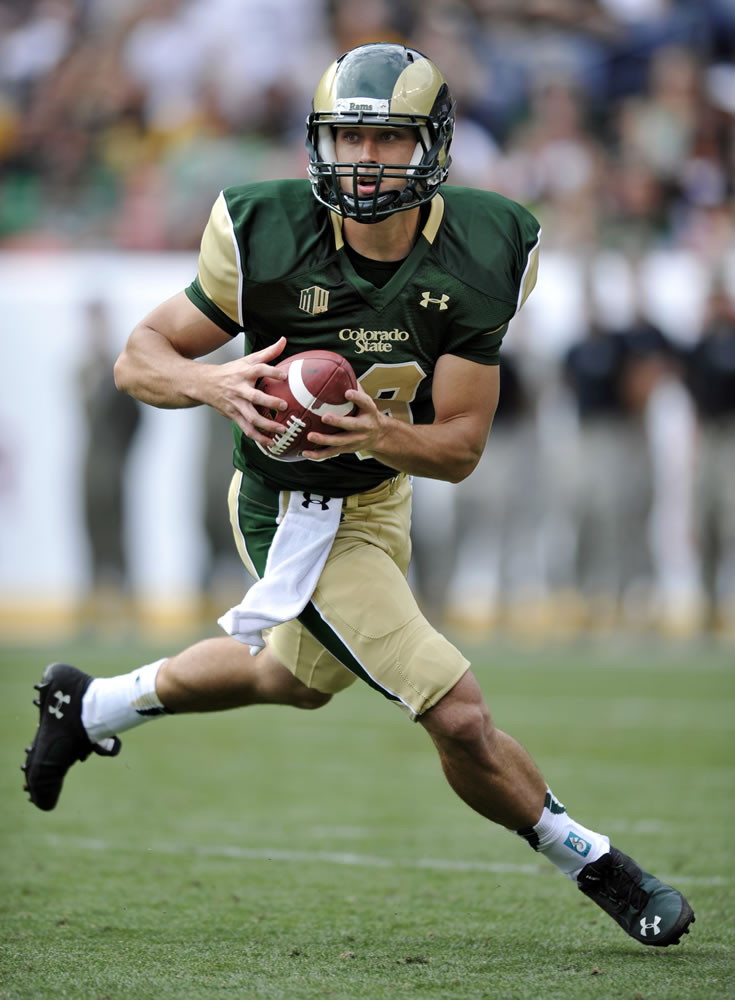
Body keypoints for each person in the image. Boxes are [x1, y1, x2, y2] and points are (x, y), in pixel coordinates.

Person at [22, 42, 693, 949]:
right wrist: (216, 383)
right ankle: (599, 864)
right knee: (453, 708)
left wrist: (382, 434)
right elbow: (137, 357)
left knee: (292, 678)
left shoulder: (486, 244)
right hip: (288, 507)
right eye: (345, 137)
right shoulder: (265, 225)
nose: (362, 160)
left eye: (384, 139)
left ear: (433, 148)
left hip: (379, 497)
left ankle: (89, 703)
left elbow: (457, 450)